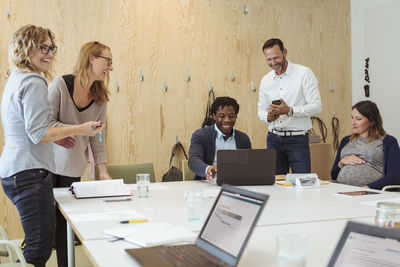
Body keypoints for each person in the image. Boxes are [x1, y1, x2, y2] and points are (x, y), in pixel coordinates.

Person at [0, 25, 103, 267]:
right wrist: (79, 129)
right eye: (42, 48)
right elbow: (38, 132)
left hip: (13, 170)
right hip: (29, 172)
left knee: (39, 245)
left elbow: (27, 128)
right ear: (25, 49)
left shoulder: (15, 77)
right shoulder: (35, 81)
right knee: (39, 250)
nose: (49, 54)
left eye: (51, 48)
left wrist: (56, 137)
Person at [48, 41, 113, 267]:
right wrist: (77, 128)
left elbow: (97, 136)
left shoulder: (100, 96)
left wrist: (102, 170)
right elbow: (44, 125)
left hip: (73, 167)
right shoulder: (60, 85)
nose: (110, 67)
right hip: (46, 164)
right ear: (91, 59)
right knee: (45, 226)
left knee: (65, 225)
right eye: (107, 61)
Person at [258, 38, 322, 174]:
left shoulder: (304, 74)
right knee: (275, 185)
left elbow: (316, 106)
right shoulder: (266, 80)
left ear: (285, 52)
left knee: (302, 182)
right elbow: (261, 110)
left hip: (297, 140)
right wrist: (267, 116)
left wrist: (290, 111)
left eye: (276, 58)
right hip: (273, 139)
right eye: (269, 59)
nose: (273, 63)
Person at [331, 100, 400, 190]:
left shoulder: (388, 141)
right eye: (352, 117)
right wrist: (342, 162)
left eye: (358, 119)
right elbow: (333, 175)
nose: (353, 122)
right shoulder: (345, 141)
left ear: (372, 121)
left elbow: (394, 175)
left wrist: (367, 188)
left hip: (370, 192)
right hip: (342, 190)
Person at [188, 96, 252, 182]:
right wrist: (208, 169)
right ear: (214, 116)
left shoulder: (243, 138)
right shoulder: (201, 135)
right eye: (222, 116)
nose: (227, 120)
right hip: (209, 185)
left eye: (231, 116)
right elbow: (193, 161)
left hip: (237, 184)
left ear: (236, 116)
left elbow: (249, 165)